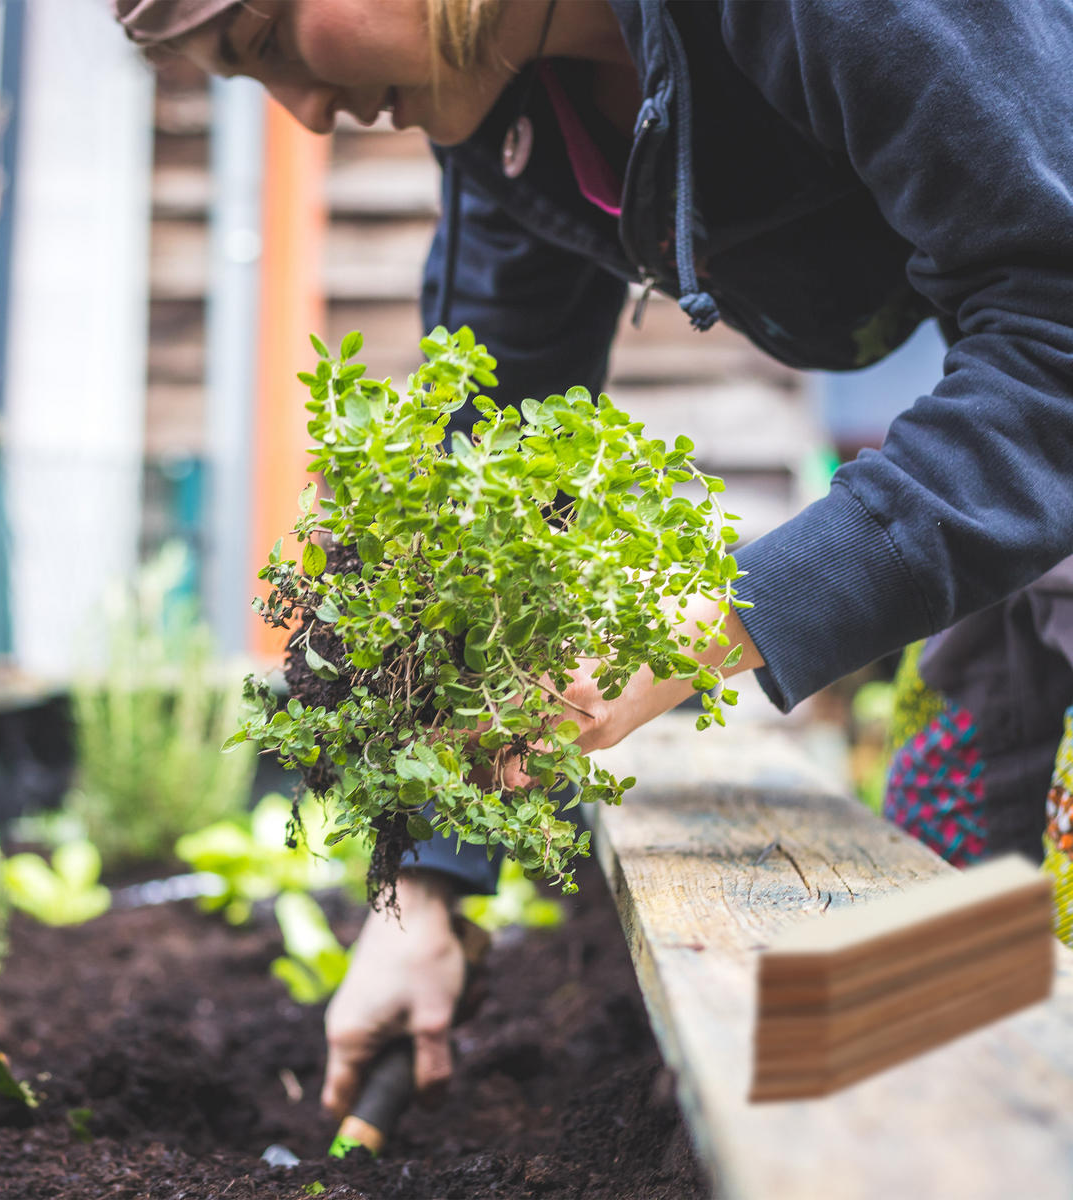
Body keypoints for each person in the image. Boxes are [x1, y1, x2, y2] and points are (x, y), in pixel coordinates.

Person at [114, 0, 1073, 1119]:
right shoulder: (514, 111)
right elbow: (487, 467)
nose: (307, 116)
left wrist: (695, 626)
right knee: (933, 910)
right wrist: (420, 888)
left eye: (270, 42)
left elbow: (1055, 340)